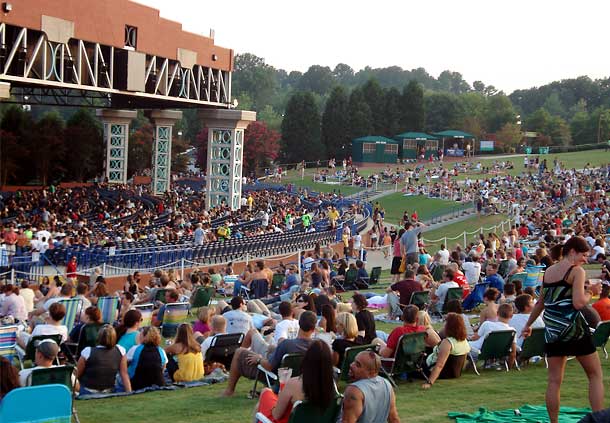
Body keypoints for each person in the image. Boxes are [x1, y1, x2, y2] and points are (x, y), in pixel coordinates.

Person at [521, 237, 604, 423]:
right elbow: (578, 303)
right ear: (572, 251)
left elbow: (540, 302)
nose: (585, 260)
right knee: (595, 375)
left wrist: (528, 325)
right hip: (575, 330)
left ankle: (554, 422)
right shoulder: (576, 271)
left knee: (554, 381)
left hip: (553, 332)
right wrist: (592, 291)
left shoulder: (549, 271)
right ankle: (599, 419)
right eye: (584, 255)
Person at [222, 310, 316, 397]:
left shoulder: (287, 344)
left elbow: (269, 366)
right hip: (302, 381)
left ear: (299, 323)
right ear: (314, 328)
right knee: (269, 347)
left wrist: (259, 359)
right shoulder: (317, 347)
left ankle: (229, 391)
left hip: (276, 378)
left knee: (239, 352)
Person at [255, 340, 336, 423]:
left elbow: (276, 415)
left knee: (265, 393)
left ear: (307, 359)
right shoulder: (331, 387)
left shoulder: (294, 384)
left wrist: (272, 408)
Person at [340, 351, 400, 423]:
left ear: (372, 372)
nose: (351, 365)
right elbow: (394, 418)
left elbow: (347, 421)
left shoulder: (354, 390)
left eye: (358, 365)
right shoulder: (386, 384)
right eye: (354, 361)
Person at [77, 325, 132, 394]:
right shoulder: (121, 350)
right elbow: (124, 374)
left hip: (88, 391)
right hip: (109, 391)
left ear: (99, 336)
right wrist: (129, 392)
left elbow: (76, 374)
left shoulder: (87, 352)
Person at [422, 313, 470, 389]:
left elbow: (439, 365)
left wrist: (429, 382)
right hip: (455, 372)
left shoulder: (448, 342)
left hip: (436, 370)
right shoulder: (463, 340)